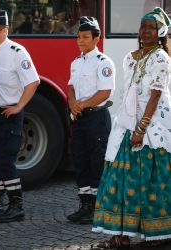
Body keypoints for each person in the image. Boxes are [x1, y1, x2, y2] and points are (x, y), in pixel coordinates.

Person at [92, 7, 171, 248]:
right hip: (125, 125)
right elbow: (129, 93)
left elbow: (155, 95)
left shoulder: (161, 58)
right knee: (118, 177)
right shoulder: (129, 57)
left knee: (150, 179)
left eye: (151, 27)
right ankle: (120, 234)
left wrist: (141, 128)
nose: (145, 31)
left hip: (152, 127)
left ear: (161, 33)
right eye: (143, 26)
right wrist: (129, 126)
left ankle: (158, 232)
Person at [0, 10, 40, 223]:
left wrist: (19, 107)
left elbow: (33, 82)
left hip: (9, 115)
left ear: (4, 30)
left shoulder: (17, 52)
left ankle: (16, 206)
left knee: (5, 160)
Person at [67, 16, 115, 224]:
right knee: (80, 161)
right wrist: (71, 102)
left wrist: (82, 105)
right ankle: (84, 204)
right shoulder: (76, 62)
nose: (81, 41)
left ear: (96, 39)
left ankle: (97, 207)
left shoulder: (104, 62)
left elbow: (105, 92)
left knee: (97, 162)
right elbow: (71, 87)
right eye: (79, 37)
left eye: (86, 37)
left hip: (96, 118)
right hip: (79, 118)